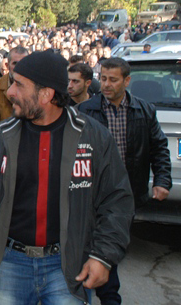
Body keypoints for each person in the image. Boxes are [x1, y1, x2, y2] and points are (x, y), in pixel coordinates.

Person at [0, 50, 135, 304]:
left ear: (46, 94)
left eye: (19, 85)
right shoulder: (0, 137)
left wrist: (103, 256)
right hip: (8, 263)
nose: (10, 92)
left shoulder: (93, 137)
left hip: (67, 266)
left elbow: (117, 201)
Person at [78, 57, 172, 305]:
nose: (106, 85)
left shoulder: (144, 110)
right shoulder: (86, 110)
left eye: (113, 80)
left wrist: (162, 180)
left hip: (125, 193)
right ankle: (99, 295)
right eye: (103, 78)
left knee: (112, 243)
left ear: (127, 81)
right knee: (92, 243)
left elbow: (159, 147)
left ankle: (106, 293)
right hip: (91, 192)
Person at [0, 46, 29, 135]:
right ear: (7, 66)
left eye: (23, 63)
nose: (19, 67)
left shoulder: (37, 89)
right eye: (15, 63)